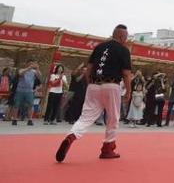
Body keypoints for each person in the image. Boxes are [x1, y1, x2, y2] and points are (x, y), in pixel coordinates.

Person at [55, 24, 133, 162]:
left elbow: (89, 68)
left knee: (86, 117)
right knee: (113, 117)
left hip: (93, 85)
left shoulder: (99, 47)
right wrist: (128, 91)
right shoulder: (123, 50)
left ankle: (71, 136)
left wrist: (90, 83)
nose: (125, 40)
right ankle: (108, 148)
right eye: (125, 37)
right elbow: (126, 74)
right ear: (121, 36)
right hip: (112, 85)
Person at [11, 60, 41, 126]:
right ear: (26, 64)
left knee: (30, 105)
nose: (31, 65)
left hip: (29, 91)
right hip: (20, 90)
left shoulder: (34, 72)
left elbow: (39, 76)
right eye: (29, 63)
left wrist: (37, 68)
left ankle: (30, 120)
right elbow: (20, 73)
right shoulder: (22, 70)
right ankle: (14, 119)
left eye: (32, 64)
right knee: (16, 105)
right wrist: (29, 68)